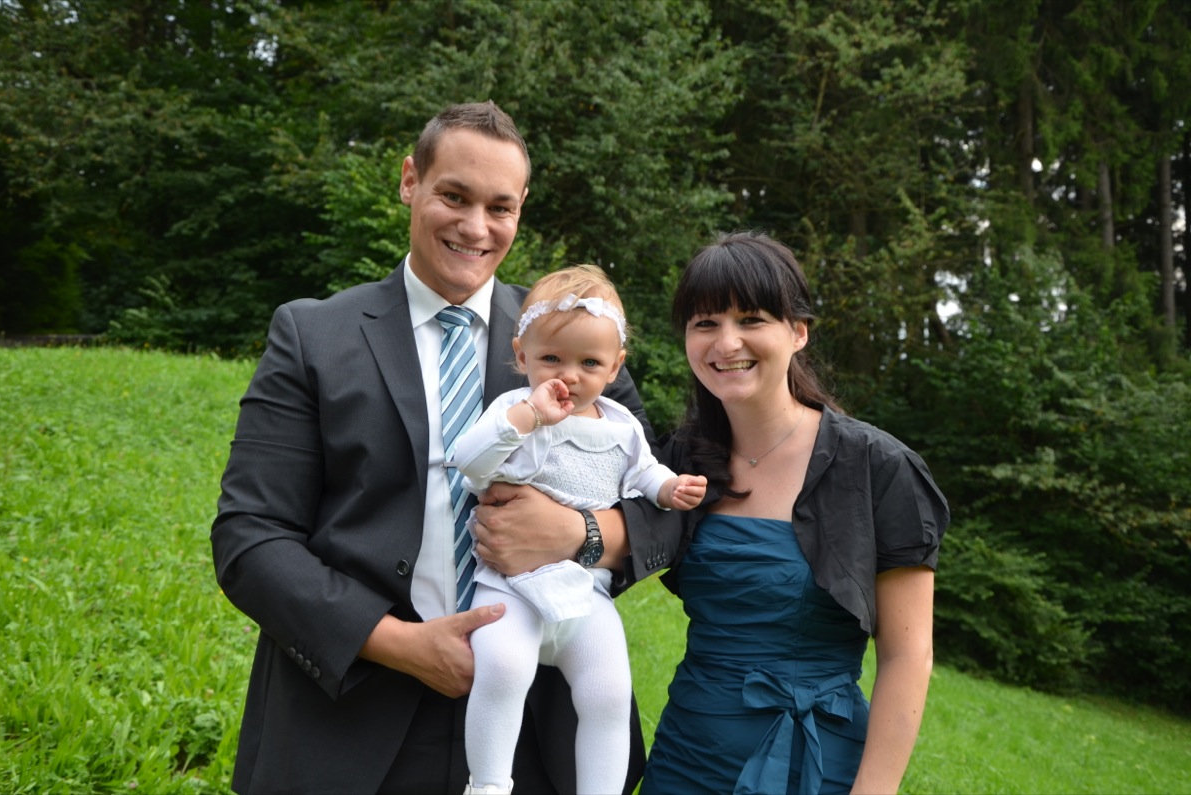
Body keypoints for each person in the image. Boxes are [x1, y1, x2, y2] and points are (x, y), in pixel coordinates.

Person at [211, 101, 682, 795]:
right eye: (454, 197)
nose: (475, 226)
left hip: (534, 727)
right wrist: (396, 643)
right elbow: (250, 537)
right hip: (350, 718)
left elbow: (661, 513)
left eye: (500, 207)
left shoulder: (573, 337)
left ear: (521, 209)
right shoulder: (313, 336)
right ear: (411, 180)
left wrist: (579, 533)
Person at [640, 231, 949, 795]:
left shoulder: (877, 467)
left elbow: (908, 656)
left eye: (751, 319)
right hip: (687, 758)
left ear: (798, 332)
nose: (726, 342)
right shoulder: (679, 460)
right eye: (705, 323)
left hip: (816, 767)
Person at [453, 265, 707, 795]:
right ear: (521, 355)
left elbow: (644, 472)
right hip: (512, 586)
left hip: (586, 591)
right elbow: (469, 461)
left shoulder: (621, 424)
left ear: (615, 366)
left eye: (589, 363)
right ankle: (490, 784)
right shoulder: (514, 411)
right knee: (502, 669)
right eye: (552, 359)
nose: (568, 376)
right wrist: (527, 417)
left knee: (608, 693)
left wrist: (669, 488)